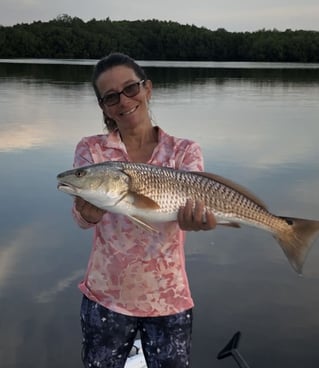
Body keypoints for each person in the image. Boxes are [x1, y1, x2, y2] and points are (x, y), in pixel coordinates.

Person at [72, 52, 216, 368]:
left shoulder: (184, 151)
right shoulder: (92, 150)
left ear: (147, 88)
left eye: (131, 89)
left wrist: (200, 219)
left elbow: (199, 207)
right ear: (103, 107)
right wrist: (92, 206)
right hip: (106, 298)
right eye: (111, 97)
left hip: (169, 299)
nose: (123, 101)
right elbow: (82, 219)